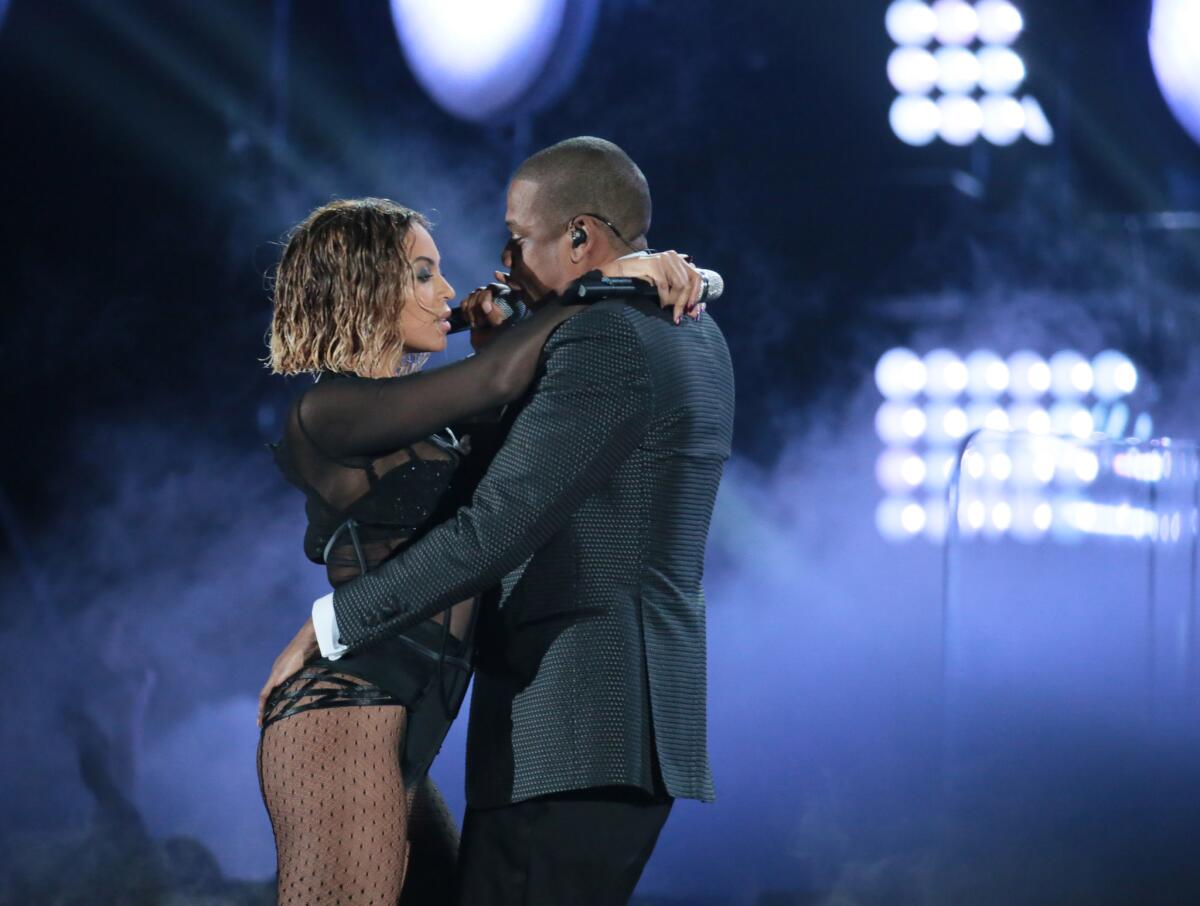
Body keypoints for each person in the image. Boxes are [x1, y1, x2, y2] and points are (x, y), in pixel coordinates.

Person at [264, 136, 735, 904]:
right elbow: (509, 427)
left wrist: (329, 622)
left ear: (580, 237)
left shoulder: (606, 332)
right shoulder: (692, 331)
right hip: (397, 712)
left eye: (517, 242)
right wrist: (606, 290)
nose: (494, 271)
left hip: (568, 724)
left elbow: (495, 524)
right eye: (424, 272)